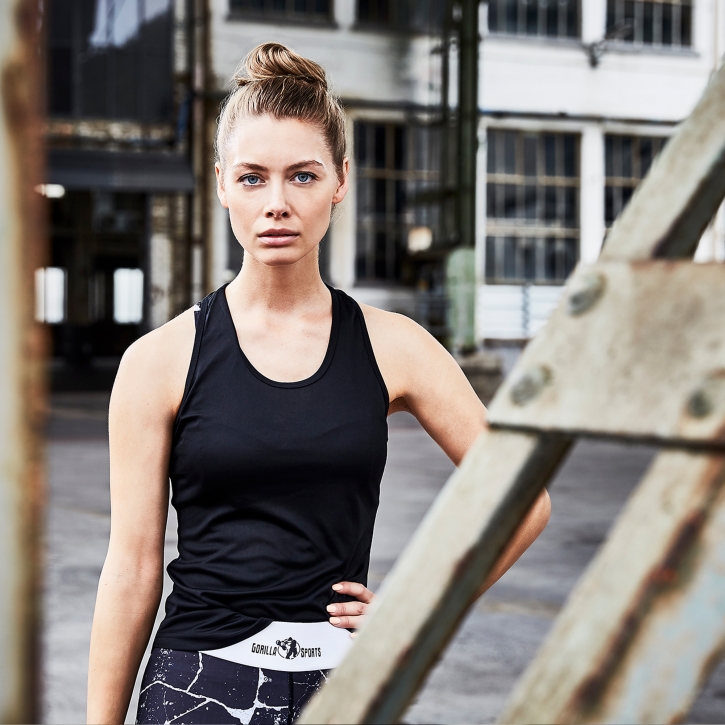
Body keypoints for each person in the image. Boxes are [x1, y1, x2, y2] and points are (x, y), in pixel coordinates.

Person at [87, 42, 551, 725]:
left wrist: (420, 607)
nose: (276, 204)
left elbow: (524, 497)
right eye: (252, 178)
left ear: (340, 179)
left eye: (302, 176)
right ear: (221, 185)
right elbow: (131, 568)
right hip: (195, 687)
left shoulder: (395, 346)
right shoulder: (157, 361)